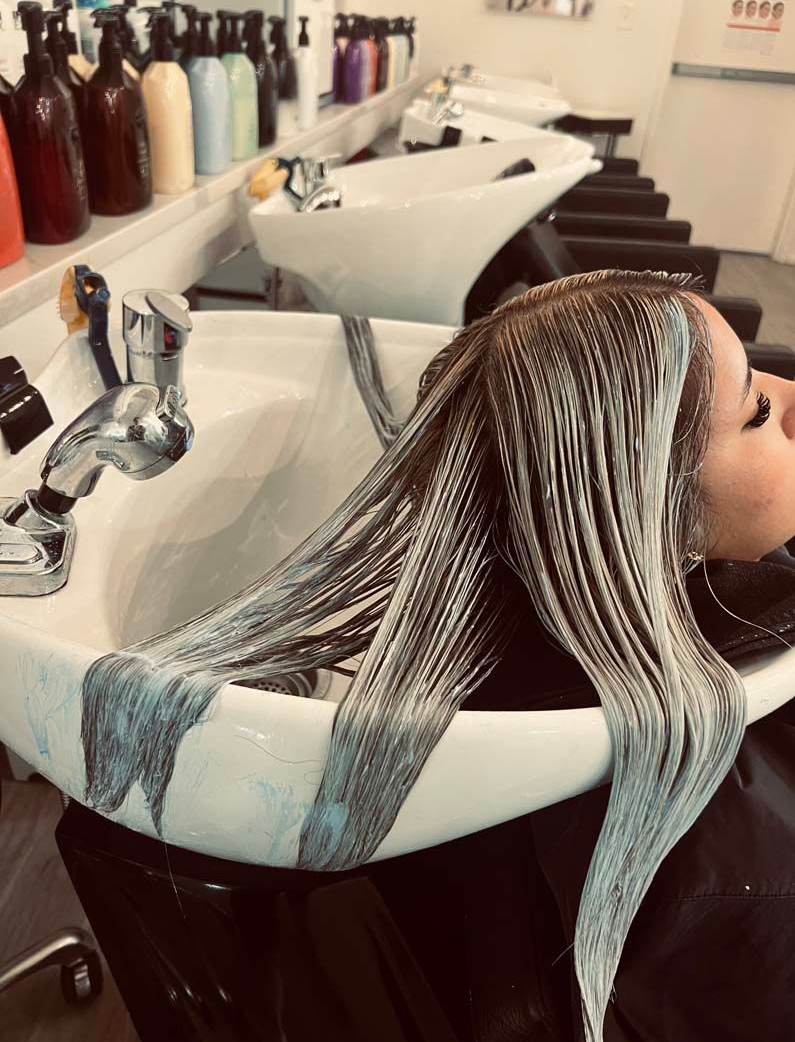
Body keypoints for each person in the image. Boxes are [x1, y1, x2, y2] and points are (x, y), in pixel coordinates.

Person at [81, 271, 795, 1042]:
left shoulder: (497, 633)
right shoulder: (723, 869)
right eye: (755, 409)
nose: (790, 391)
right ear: (646, 506)